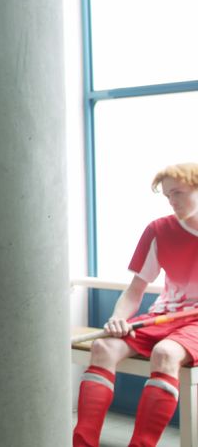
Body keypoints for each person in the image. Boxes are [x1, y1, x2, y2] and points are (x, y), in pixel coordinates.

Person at [74, 163, 198, 447]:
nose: (172, 201)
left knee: (165, 353)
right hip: (165, 316)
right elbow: (135, 291)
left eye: (178, 192)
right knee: (102, 346)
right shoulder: (158, 230)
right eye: (168, 196)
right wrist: (118, 318)